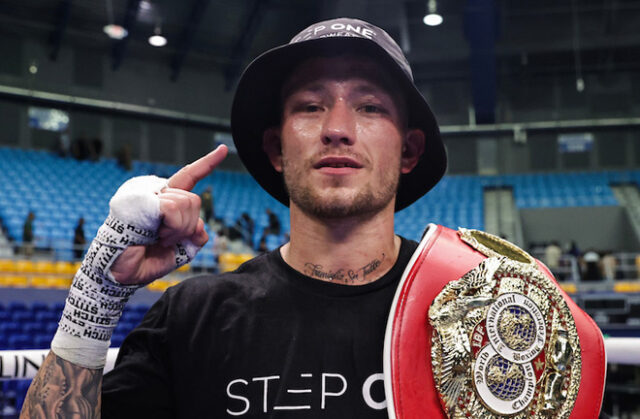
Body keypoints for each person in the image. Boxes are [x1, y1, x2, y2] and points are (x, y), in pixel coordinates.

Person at [20, 18, 604, 418]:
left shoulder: (476, 308)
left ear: (409, 152)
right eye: (311, 105)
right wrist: (96, 295)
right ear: (277, 148)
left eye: (370, 106)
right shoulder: (193, 318)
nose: (337, 126)